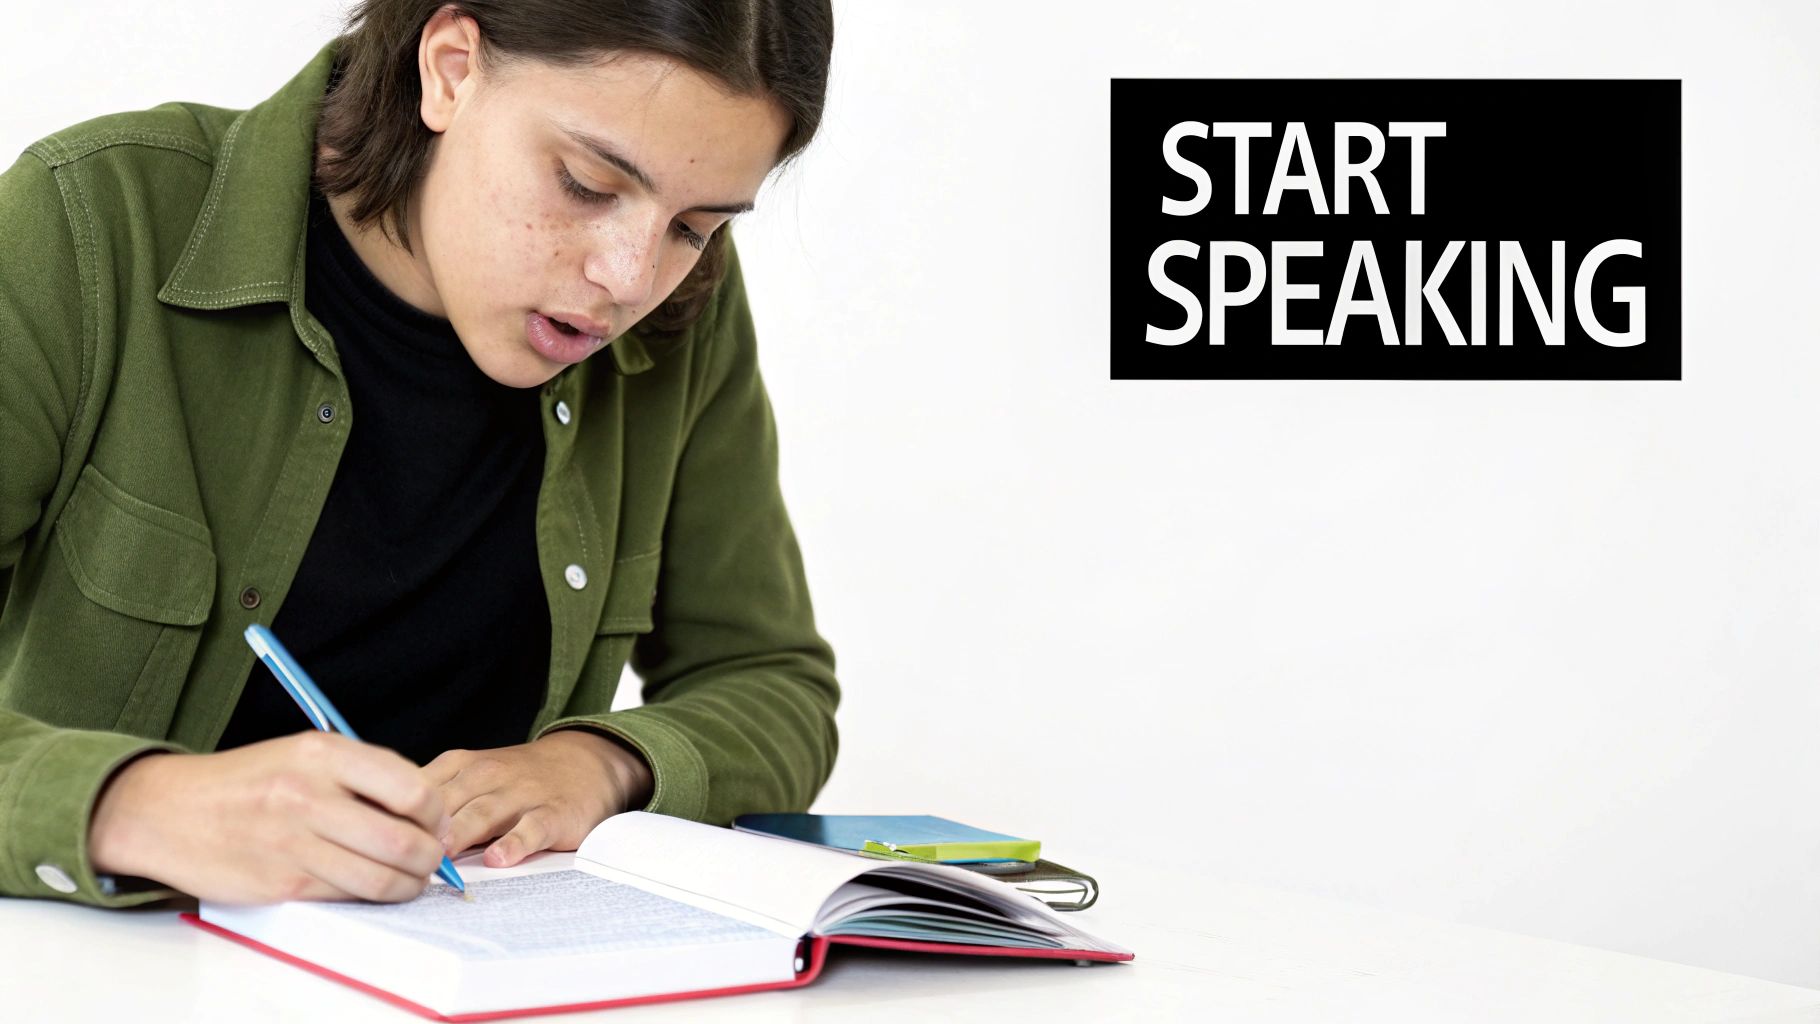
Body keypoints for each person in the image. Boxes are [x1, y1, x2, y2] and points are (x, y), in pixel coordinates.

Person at [0, 0, 839, 908]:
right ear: (450, 68)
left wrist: (604, 764)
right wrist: (132, 807)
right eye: (587, 184)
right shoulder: (91, 224)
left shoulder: (683, 309)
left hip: (478, 960)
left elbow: (771, 683)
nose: (628, 277)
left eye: (694, 226)